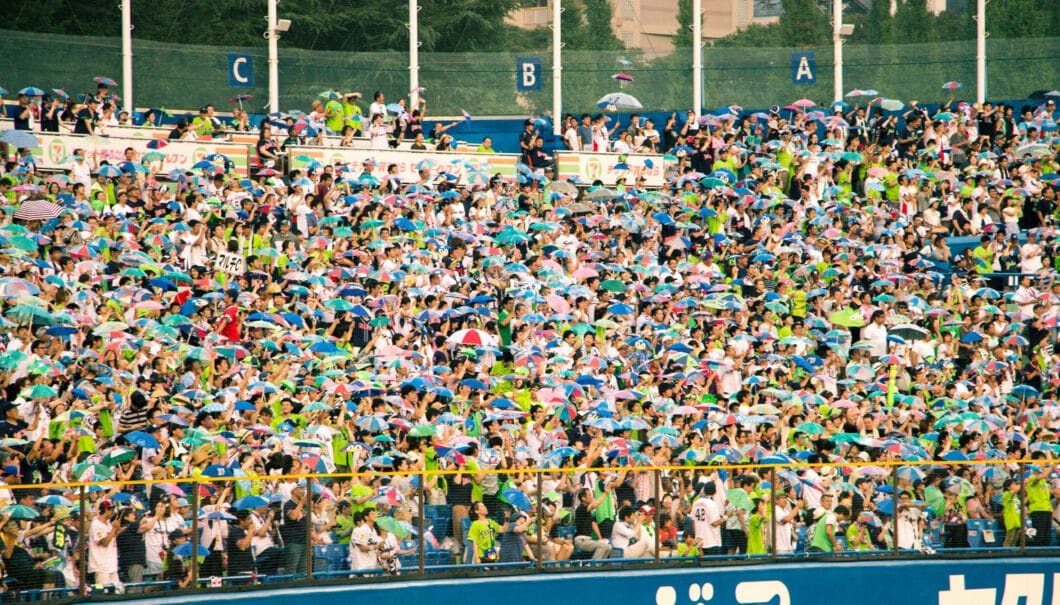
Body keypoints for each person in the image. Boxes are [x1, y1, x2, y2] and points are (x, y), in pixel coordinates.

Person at [88, 500, 121, 588]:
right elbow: (105, 542)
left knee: (116, 592)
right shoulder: (96, 524)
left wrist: (117, 530)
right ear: (106, 510)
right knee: (102, 592)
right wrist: (114, 529)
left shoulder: (108, 523)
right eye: (112, 510)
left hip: (112, 564)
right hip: (101, 566)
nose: (113, 512)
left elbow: (112, 538)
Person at [572, 488, 612, 559]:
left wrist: (600, 539)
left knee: (608, 547)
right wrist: (605, 493)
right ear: (583, 498)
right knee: (602, 546)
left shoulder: (588, 511)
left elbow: (593, 524)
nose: (591, 497)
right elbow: (594, 505)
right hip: (581, 541)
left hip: (588, 540)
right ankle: (592, 564)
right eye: (589, 495)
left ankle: (600, 565)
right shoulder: (581, 508)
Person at [691, 482, 724, 555]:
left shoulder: (696, 502)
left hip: (699, 541)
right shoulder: (712, 503)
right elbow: (714, 523)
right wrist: (726, 517)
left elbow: (693, 522)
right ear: (715, 492)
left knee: (701, 565)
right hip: (712, 542)